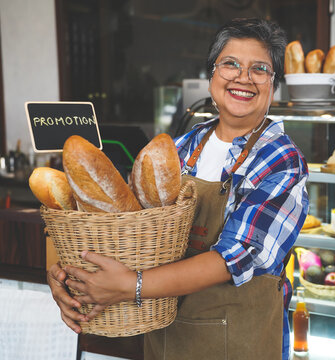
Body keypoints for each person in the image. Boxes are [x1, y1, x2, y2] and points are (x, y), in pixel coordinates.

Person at [47, 18, 309, 360]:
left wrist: (132, 286)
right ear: (212, 74)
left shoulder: (282, 160)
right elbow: (127, 227)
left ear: (273, 85)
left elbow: (233, 258)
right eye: (230, 64)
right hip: (166, 338)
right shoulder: (178, 148)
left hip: (240, 343)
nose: (243, 78)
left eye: (259, 69)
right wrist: (63, 277)